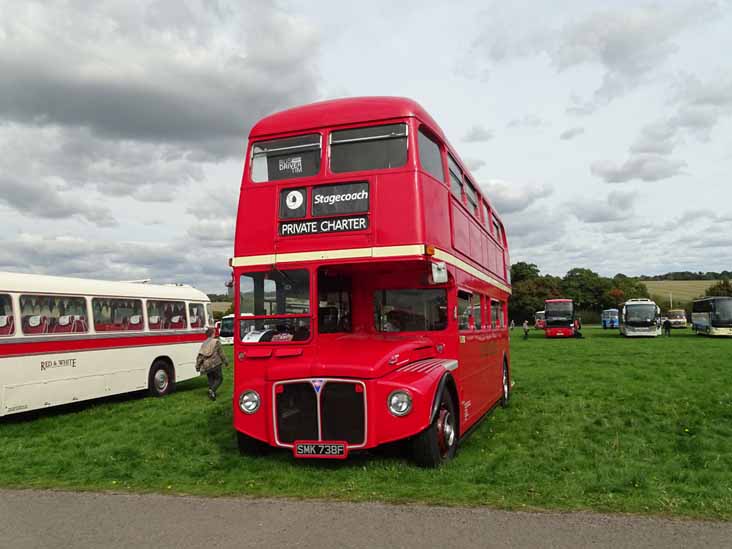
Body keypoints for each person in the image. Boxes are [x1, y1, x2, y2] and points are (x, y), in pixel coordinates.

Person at [196, 327, 229, 400]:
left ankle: (212, 394)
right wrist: (226, 362)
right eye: (214, 333)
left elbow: (200, 356)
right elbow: (221, 353)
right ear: (212, 334)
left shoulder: (204, 343)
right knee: (219, 378)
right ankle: (212, 390)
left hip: (206, 365)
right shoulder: (216, 342)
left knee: (211, 379)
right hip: (215, 363)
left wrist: (197, 366)